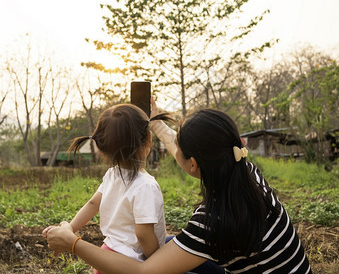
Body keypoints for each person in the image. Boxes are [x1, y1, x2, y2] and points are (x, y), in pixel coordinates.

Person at [46, 99, 312, 274]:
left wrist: (74, 243)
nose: (173, 148)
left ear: (193, 164)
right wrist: (157, 125)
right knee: (169, 245)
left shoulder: (210, 222)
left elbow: (143, 272)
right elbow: (181, 147)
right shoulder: (245, 168)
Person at [43, 104, 169, 273]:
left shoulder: (112, 174)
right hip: (129, 263)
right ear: (149, 139)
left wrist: (70, 228)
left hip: (105, 257)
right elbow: (143, 234)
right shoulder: (146, 186)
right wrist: (158, 261)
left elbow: (92, 204)